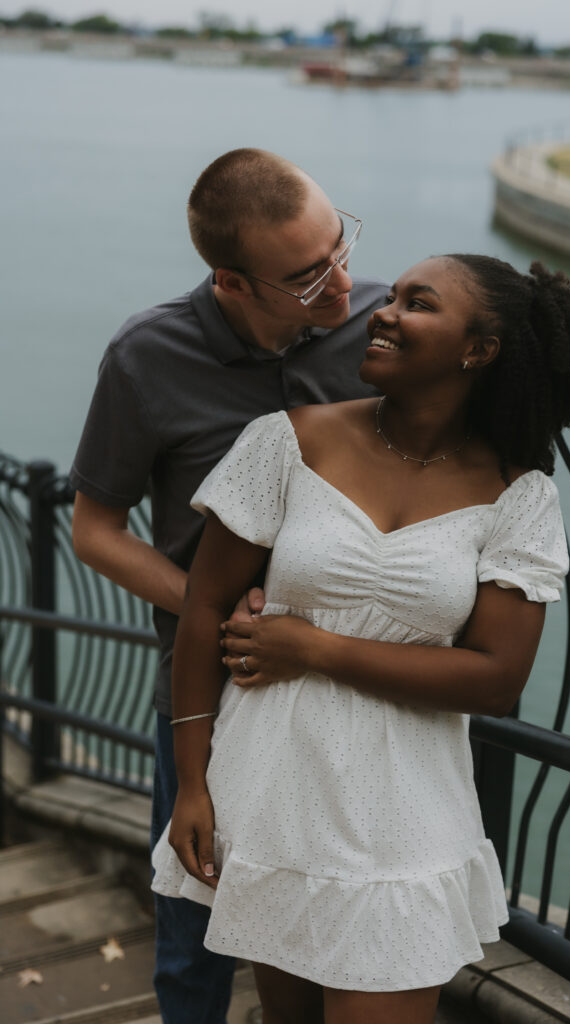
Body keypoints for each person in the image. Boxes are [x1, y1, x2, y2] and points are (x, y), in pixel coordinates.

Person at [151, 254, 570, 1023]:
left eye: (415, 303)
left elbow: (495, 678)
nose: (382, 313)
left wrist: (313, 648)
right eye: (389, 297)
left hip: (404, 816)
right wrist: (192, 782)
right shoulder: (286, 442)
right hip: (269, 789)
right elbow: (203, 612)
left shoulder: (518, 495)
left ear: (479, 349)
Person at [69, 148, 388, 1024]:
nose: (340, 284)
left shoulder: (385, 324)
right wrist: (211, 610)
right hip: (209, 688)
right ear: (230, 281)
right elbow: (93, 530)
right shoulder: (146, 355)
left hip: (349, 681)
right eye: (304, 275)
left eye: (339, 247)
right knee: (194, 935)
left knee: (346, 920)